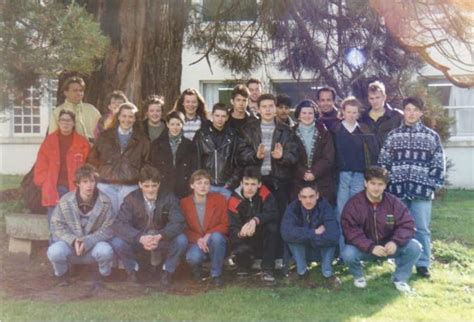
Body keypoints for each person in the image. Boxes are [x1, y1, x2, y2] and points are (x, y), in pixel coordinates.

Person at [379, 96, 445, 278]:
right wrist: (386, 187)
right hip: (398, 192)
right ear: (403, 111)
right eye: (408, 109)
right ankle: (401, 261)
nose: (411, 113)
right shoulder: (393, 136)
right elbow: (384, 163)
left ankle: (423, 264)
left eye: (415, 110)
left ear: (421, 113)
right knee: (398, 228)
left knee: (422, 228)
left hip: (421, 192)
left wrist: (433, 185)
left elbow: (438, 163)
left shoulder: (431, 136)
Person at [341, 166, 422, 292]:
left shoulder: (394, 202)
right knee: (348, 253)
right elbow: (350, 231)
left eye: (380, 184)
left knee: (415, 247)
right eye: (372, 183)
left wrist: (395, 242)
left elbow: (407, 224)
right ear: (365, 183)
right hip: (366, 249)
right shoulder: (354, 204)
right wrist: (370, 247)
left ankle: (400, 279)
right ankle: (358, 277)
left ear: (385, 186)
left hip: (389, 248)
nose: (376, 188)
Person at [111, 165, 187, 286]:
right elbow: (119, 224)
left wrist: (161, 235)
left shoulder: (169, 197)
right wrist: (140, 237)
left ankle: (167, 271)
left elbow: (178, 222)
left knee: (181, 240)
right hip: (140, 239)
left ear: (159, 184)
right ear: (140, 184)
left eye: (154, 186)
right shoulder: (131, 198)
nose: (150, 190)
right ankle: (132, 272)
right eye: (146, 186)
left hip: (161, 239)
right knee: (117, 242)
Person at [237, 93, 298, 234]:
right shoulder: (248, 129)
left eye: (271, 106)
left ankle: (279, 253)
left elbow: (293, 156)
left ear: (275, 108)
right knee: (258, 217)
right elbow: (241, 154)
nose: (268, 110)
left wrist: (282, 157)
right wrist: (255, 156)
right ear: (258, 109)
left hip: (279, 180)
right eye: (264, 107)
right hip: (257, 181)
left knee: (280, 215)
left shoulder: (286, 130)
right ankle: (259, 252)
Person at [47, 165, 115, 288]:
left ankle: (104, 275)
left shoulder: (105, 202)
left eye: (92, 181)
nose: (89, 185)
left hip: (93, 245)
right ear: (78, 183)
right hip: (71, 245)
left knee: (106, 251)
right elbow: (56, 226)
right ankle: (62, 275)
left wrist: (88, 241)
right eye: (85, 182)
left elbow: (109, 229)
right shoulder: (66, 200)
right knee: (54, 251)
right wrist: (73, 241)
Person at [331, 97, 379, 254]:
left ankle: (358, 249)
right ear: (342, 112)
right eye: (348, 112)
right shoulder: (335, 130)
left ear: (358, 114)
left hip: (359, 176)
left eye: (354, 112)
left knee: (358, 213)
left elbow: (372, 154)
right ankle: (342, 250)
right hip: (342, 175)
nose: (351, 115)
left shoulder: (364, 131)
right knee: (341, 213)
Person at [87, 102, 150, 214]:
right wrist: (99, 174)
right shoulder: (105, 136)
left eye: (131, 116)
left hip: (130, 186)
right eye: (124, 116)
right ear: (118, 117)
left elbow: (147, 163)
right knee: (105, 218)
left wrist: (137, 176)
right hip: (106, 184)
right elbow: (92, 159)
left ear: (135, 119)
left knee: (124, 218)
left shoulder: (142, 140)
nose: (127, 119)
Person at [34, 110, 90, 222]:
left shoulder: (82, 142)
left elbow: (88, 166)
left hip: (75, 187)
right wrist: (44, 182)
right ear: (58, 122)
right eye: (62, 120)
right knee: (54, 223)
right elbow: (41, 163)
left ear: (74, 123)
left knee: (74, 222)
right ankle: (55, 240)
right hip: (54, 186)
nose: (65, 123)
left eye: (68, 120)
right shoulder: (49, 141)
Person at [281, 183, 340, 285]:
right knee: (293, 240)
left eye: (311, 196)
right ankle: (302, 271)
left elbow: (334, 235)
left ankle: (327, 273)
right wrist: (314, 232)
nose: (308, 201)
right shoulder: (293, 208)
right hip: (302, 250)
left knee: (330, 242)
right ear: (299, 197)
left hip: (320, 248)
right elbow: (286, 233)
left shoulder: (325, 207)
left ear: (317, 195)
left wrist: (305, 235)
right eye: (304, 197)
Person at [228, 167, 279, 282]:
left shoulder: (265, 194)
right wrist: (241, 233)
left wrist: (255, 220)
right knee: (240, 247)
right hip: (244, 239)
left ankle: (267, 269)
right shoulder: (234, 199)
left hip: (262, 236)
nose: (249, 188)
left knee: (272, 228)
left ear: (259, 184)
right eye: (246, 184)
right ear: (241, 183)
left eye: (253, 184)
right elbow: (232, 228)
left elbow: (273, 213)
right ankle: (243, 266)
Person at [181, 170, 228, 286]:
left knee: (217, 237)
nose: (203, 186)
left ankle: (216, 274)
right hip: (196, 241)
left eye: (206, 183)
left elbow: (225, 224)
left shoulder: (219, 199)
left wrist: (208, 235)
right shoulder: (184, 203)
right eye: (199, 183)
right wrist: (198, 238)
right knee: (193, 257)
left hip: (213, 239)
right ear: (192, 185)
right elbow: (183, 227)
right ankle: (197, 270)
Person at [292, 99, 336, 205]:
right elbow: (291, 157)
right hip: (298, 181)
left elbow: (328, 157)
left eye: (310, 113)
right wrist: (303, 173)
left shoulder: (324, 133)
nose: (307, 116)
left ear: (315, 115)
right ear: (298, 115)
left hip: (321, 181)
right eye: (304, 113)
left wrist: (314, 173)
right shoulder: (291, 133)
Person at [194, 103, 240, 199]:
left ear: (227, 117)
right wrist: (200, 182)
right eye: (217, 115)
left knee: (224, 213)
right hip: (206, 185)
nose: (220, 119)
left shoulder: (233, 136)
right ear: (212, 115)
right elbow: (196, 161)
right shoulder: (201, 134)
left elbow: (238, 162)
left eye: (223, 116)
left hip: (226, 186)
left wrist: (230, 183)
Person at [150, 111, 196, 199]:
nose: (175, 127)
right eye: (172, 124)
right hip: (163, 187)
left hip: (183, 187)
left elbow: (193, 167)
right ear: (167, 125)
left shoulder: (190, 145)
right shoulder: (157, 144)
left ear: (183, 125)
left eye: (178, 124)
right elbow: (153, 165)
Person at [49, 76, 101, 144]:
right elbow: (52, 139)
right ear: (66, 92)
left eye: (81, 90)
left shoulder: (92, 110)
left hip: (91, 152)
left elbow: (103, 133)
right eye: (75, 90)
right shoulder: (57, 112)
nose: (79, 93)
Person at [359, 81, 403, 152]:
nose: (375, 101)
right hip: (370, 161)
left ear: (384, 97)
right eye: (372, 98)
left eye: (377, 97)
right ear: (368, 99)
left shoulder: (397, 116)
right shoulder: (362, 118)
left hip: (391, 161)